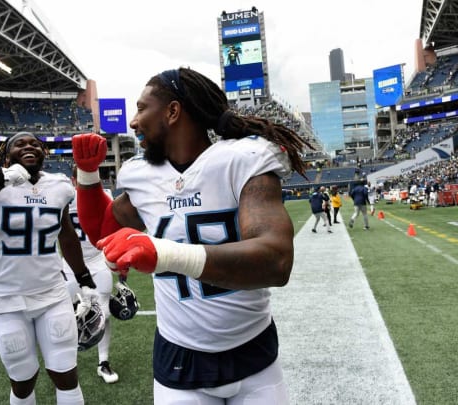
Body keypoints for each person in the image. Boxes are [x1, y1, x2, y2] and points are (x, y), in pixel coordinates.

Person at [71, 67, 311, 404]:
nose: (133, 122)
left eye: (142, 109)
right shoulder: (143, 175)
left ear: (172, 112)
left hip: (252, 355)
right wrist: (87, 175)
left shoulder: (241, 158)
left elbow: (276, 261)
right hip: (179, 357)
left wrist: (165, 254)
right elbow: (101, 231)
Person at [0, 132, 97, 405]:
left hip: (52, 293)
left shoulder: (58, 186)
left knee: (66, 376)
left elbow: (66, 234)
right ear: (5, 155)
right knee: (23, 381)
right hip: (7, 299)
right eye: (20, 144)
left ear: (44, 153)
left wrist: (83, 277)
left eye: (35, 144)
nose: (29, 146)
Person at [62, 168, 118, 384]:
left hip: (96, 260)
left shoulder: (103, 196)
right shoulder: (62, 196)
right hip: (69, 263)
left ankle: (103, 362)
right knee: (65, 315)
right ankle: (66, 361)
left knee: (104, 313)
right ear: (74, 180)